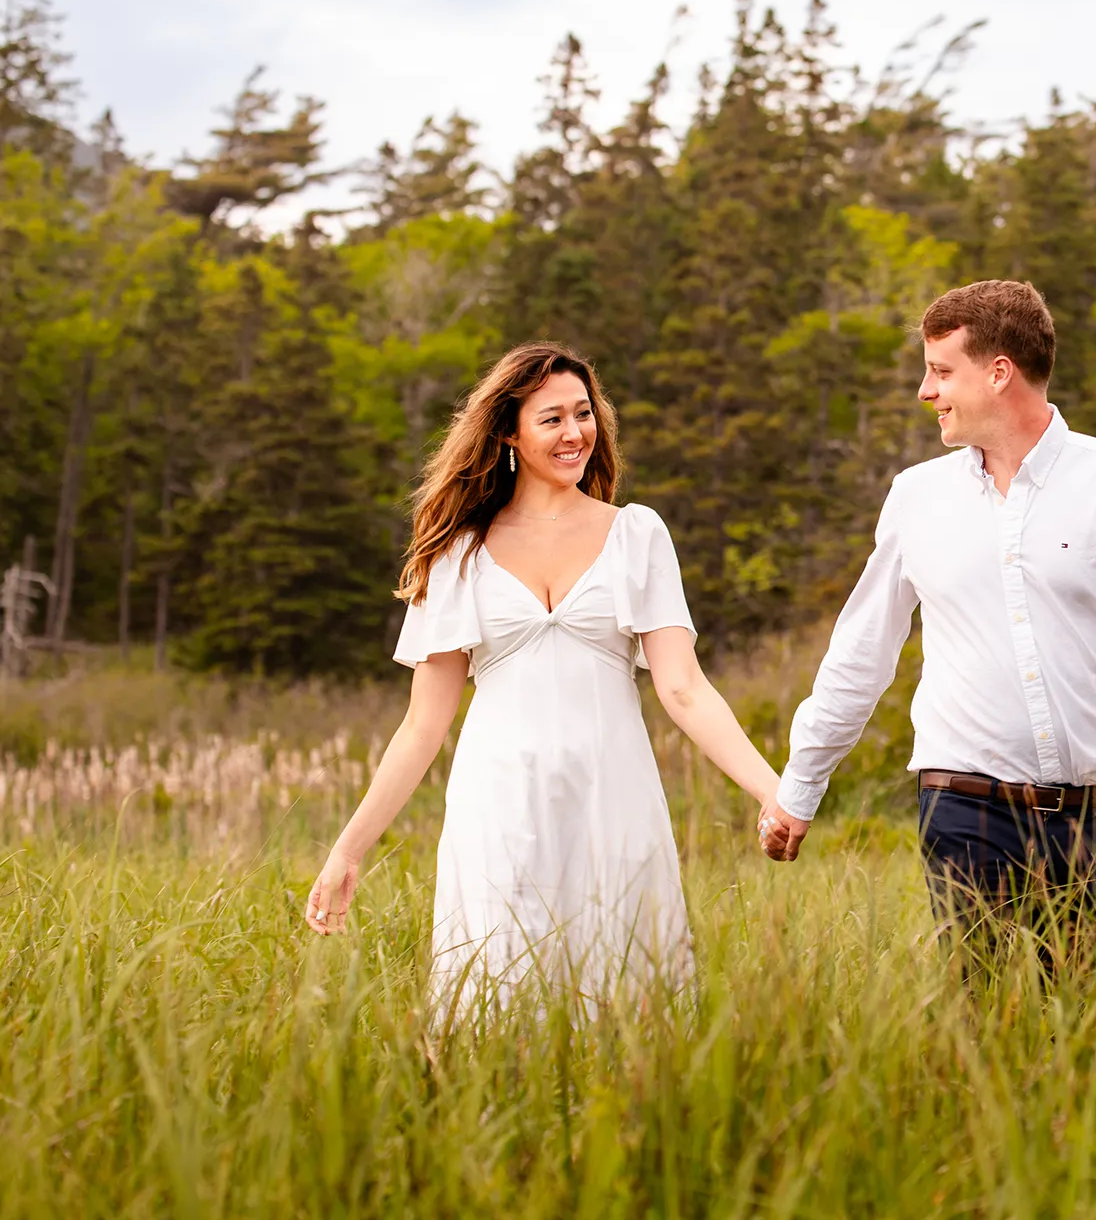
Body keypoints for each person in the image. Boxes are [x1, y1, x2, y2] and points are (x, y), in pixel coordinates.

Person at [757, 280, 1096, 963]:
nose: (926, 391)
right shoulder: (917, 497)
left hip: (1093, 823)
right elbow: (862, 651)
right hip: (962, 808)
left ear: (1000, 371)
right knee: (984, 1032)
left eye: (942, 371)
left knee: (1078, 1035)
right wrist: (800, 787)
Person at [305, 342, 781, 1015]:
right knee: (499, 996)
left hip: (613, 799)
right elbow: (422, 725)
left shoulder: (636, 535)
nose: (574, 433)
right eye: (551, 418)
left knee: (625, 991)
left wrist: (776, 793)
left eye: (583, 414)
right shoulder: (459, 552)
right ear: (509, 432)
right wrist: (348, 850)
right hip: (497, 803)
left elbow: (684, 689)